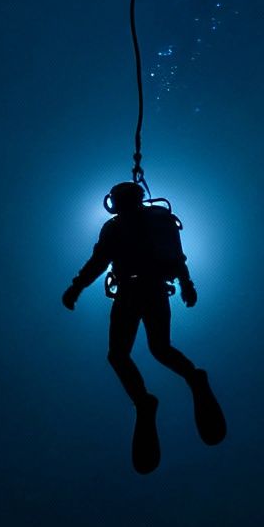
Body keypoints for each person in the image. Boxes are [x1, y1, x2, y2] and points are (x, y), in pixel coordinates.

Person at [63, 181, 226, 473]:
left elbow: (99, 262)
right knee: (156, 349)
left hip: (135, 291)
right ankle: (187, 381)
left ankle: (150, 400)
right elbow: (176, 257)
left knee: (128, 353)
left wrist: (76, 288)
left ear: (115, 202)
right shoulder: (154, 220)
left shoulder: (117, 228)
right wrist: (187, 284)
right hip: (149, 290)